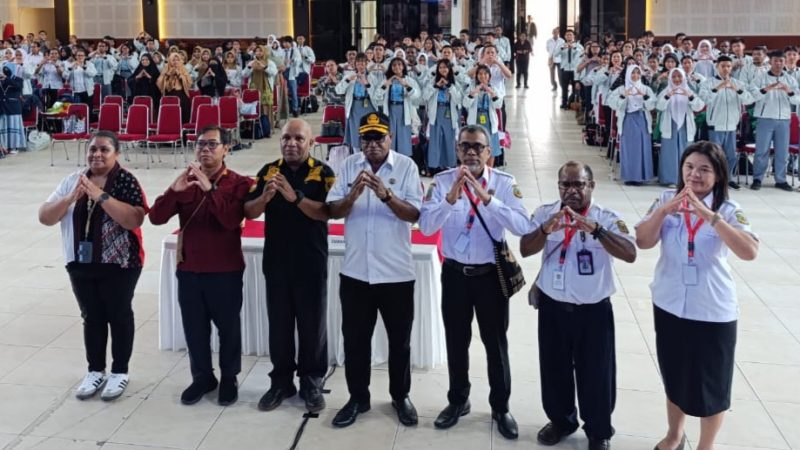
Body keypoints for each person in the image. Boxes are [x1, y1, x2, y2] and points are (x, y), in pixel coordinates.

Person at [634, 142, 759, 450]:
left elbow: (749, 251)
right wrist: (664, 211)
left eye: (704, 169)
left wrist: (709, 216)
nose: (694, 175)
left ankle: (706, 445)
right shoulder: (666, 199)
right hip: (669, 303)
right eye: (689, 167)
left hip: (712, 310)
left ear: (718, 175)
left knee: (712, 385)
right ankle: (674, 435)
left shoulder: (728, 209)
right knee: (674, 375)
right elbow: (643, 241)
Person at [418, 124, 530, 440]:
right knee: (456, 341)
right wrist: (449, 200)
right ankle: (458, 400)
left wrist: (488, 200)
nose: (471, 152)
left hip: (490, 276)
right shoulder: (442, 182)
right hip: (455, 275)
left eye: (478, 147)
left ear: (488, 151)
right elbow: (426, 227)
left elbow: (523, 226)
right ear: (457, 150)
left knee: (495, 343)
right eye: (465, 146)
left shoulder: (504, 184)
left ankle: (500, 406)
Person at [520, 161, 637, 450]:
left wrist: (597, 231)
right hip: (553, 308)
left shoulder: (606, 217)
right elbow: (525, 248)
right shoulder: (545, 213)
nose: (571, 191)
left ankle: (598, 430)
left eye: (579, 184)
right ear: (558, 186)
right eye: (565, 185)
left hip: (593, 310)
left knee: (596, 373)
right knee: (554, 369)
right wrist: (546, 229)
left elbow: (630, 253)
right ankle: (561, 421)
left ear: (591, 186)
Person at [326, 112, 423, 428]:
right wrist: (353, 194)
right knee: (355, 341)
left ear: (389, 138)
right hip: (356, 272)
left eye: (378, 137)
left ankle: (400, 396)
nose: (372, 144)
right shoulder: (349, 166)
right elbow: (332, 210)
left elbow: (414, 214)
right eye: (366, 138)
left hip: (396, 274)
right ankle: (358, 398)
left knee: (400, 342)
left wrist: (386, 195)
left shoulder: (406, 167)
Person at [38, 131, 147, 401]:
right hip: (80, 262)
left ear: (116, 154)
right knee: (92, 316)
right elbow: (45, 217)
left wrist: (100, 196)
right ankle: (95, 370)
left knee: (118, 315)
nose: (97, 154)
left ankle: (119, 371)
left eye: (104, 149)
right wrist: (69, 199)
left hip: (121, 263)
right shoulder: (72, 180)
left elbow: (134, 219)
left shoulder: (126, 181)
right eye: (92, 149)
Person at [148, 125, 250, 405]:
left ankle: (229, 377)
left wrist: (210, 189)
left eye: (212, 144)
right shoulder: (186, 181)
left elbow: (230, 220)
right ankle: (203, 377)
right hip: (190, 268)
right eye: (200, 144)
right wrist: (173, 191)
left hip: (225, 268)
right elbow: (156, 217)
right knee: (194, 328)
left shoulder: (239, 183)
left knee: (228, 328)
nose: (205, 149)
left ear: (226, 148)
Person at [243, 119, 334, 413]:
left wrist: (296, 199)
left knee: (312, 325)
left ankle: (311, 381)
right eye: (286, 138)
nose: (291, 144)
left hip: (311, 261)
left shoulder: (323, 173)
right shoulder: (268, 171)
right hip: (277, 262)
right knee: (280, 326)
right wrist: (265, 197)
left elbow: (327, 213)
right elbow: (249, 211)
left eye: (298, 138)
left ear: (311, 142)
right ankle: (281, 382)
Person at [699, 56, 754, 190]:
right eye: (723, 66)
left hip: (731, 125)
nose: (726, 69)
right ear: (717, 67)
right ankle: (713, 180)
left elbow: (749, 100)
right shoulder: (708, 83)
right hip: (715, 124)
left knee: (731, 155)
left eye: (728, 66)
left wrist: (737, 89)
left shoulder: (737, 83)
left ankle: (728, 179)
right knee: (714, 155)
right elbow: (704, 99)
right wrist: (718, 88)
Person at [749, 50, 800, 191]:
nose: (778, 63)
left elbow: (797, 99)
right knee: (761, 151)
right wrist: (766, 89)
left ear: (784, 62)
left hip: (784, 119)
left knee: (782, 152)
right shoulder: (760, 78)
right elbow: (753, 96)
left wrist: (789, 91)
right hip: (765, 118)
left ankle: (781, 180)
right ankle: (757, 178)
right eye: (775, 60)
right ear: (770, 62)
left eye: (781, 61)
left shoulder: (790, 80)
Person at [607, 65, 657, 185]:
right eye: (633, 73)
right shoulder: (621, 89)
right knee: (629, 148)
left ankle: (642, 176)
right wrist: (623, 96)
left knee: (642, 147)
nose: (635, 76)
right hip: (628, 119)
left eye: (638, 73)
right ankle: (630, 176)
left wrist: (644, 96)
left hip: (642, 119)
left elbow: (653, 104)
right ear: (628, 74)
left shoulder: (645, 89)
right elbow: (611, 103)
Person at [656, 68, 706, 186]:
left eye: (679, 76)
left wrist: (690, 96)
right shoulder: (665, 91)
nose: (677, 79)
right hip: (670, 125)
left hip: (685, 126)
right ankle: (669, 179)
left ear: (684, 78)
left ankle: (685, 179)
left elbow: (699, 106)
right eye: (674, 77)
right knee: (669, 153)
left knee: (686, 153)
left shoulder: (689, 90)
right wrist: (668, 96)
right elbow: (659, 106)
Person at [372, 57, 421, 157]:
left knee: (403, 137)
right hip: (391, 110)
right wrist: (385, 85)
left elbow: (417, 96)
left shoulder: (409, 80)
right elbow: (376, 96)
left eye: (399, 64)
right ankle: (391, 158)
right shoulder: (386, 80)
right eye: (394, 65)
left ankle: (404, 159)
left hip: (404, 111)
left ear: (403, 67)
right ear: (391, 67)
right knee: (391, 135)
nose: (397, 67)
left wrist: (406, 85)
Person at [424, 60, 462, 174]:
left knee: (449, 139)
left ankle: (450, 164)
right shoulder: (432, 81)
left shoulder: (455, 83)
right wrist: (436, 86)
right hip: (436, 112)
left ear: (449, 69)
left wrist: (449, 86)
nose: (443, 70)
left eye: (445, 67)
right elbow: (425, 96)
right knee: (435, 140)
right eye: (440, 67)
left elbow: (458, 100)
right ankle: (435, 166)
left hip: (449, 113)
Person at [463, 65, 504, 167]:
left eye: (485, 74)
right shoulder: (471, 88)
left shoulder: (493, 88)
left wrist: (492, 93)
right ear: (476, 76)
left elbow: (498, 105)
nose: (483, 76)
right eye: (480, 74)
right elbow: (465, 104)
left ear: (489, 76)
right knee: (476, 146)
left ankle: (489, 171)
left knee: (490, 147)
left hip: (489, 122)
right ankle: (477, 170)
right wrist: (473, 93)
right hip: (475, 121)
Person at [336, 53, 376, 153]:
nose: (360, 65)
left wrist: (366, 84)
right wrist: (348, 80)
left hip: (368, 106)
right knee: (355, 133)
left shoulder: (372, 77)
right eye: (358, 63)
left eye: (363, 63)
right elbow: (338, 90)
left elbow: (377, 95)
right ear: (355, 64)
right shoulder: (349, 76)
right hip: (354, 106)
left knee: (368, 132)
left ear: (366, 63)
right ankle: (356, 155)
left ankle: (369, 154)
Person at [157, 52, 192, 123]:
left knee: (182, 115)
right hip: (169, 95)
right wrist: (169, 75)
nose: (176, 62)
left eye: (177, 60)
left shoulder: (183, 69)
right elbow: (159, 82)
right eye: (173, 60)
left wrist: (179, 75)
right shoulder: (166, 69)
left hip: (181, 95)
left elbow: (189, 82)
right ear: (170, 61)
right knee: (170, 116)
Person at [0, 65, 25, 156]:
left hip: (14, 107)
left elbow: (18, 87)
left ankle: (15, 147)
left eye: (7, 69)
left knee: (13, 127)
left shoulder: (18, 79)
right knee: (4, 128)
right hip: (2, 107)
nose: (5, 71)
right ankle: (5, 146)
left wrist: (7, 78)